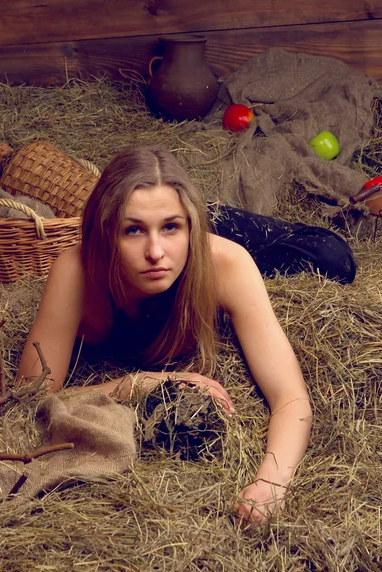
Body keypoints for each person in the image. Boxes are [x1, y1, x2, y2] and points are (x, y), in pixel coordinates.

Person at [18, 144, 351, 524]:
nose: (155, 251)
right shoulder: (77, 270)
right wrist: (139, 383)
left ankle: (205, 217)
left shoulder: (224, 261)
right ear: (106, 232)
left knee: (330, 258)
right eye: (133, 230)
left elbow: (290, 395)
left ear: (188, 227)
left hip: (223, 235)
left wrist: (270, 484)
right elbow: (29, 396)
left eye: (170, 227)